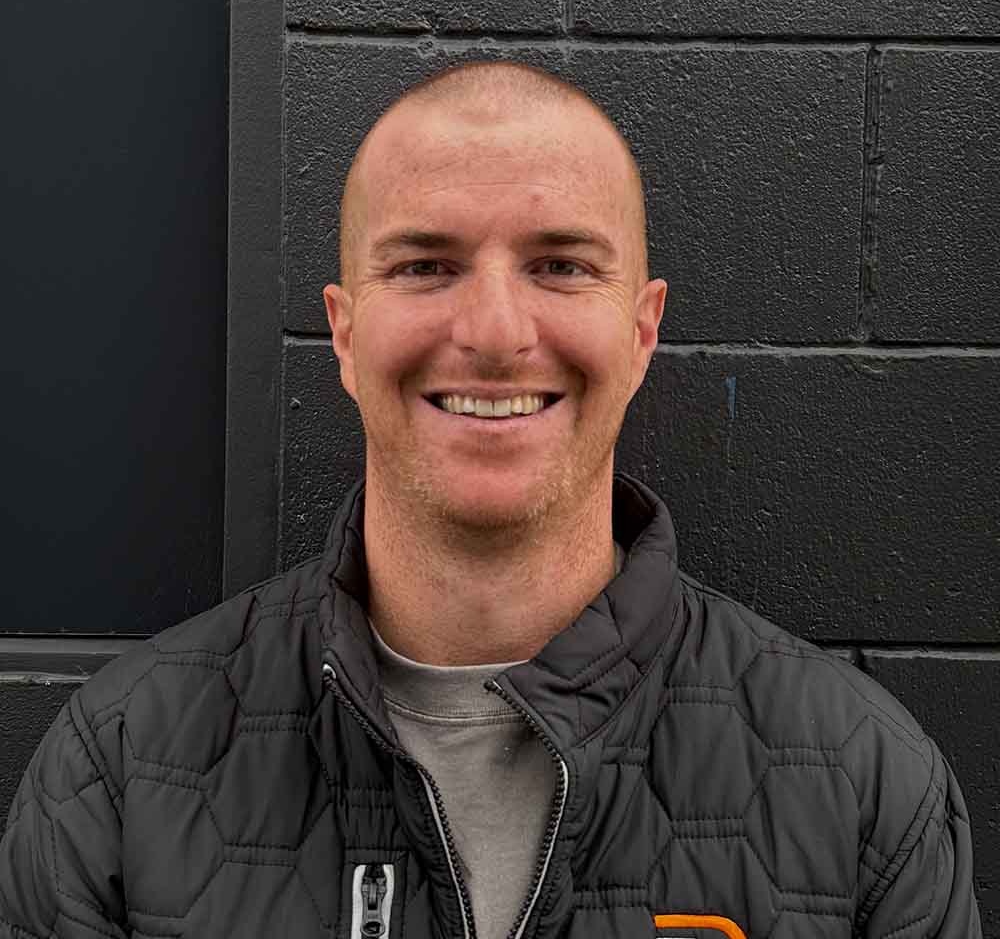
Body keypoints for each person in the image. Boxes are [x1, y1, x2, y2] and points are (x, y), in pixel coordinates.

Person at [0, 61, 981, 939]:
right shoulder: (123, 767)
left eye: (560, 266)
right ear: (343, 334)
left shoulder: (861, 784)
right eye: (424, 265)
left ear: (642, 333)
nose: (495, 329)